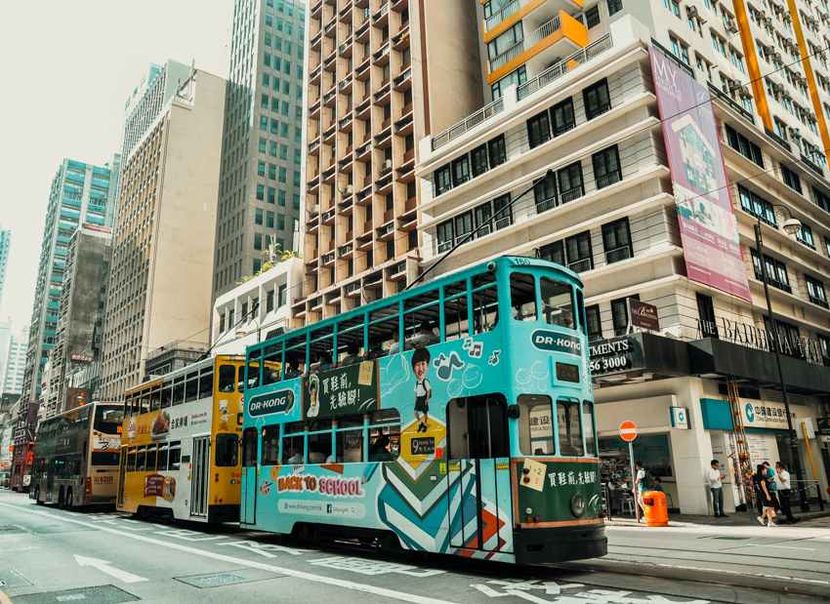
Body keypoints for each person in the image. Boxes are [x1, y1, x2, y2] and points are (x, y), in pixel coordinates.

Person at [412, 348, 432, 433]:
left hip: (423, 398)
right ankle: (421, 423)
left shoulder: (425, 381)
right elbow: (416, 392)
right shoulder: (417, 382)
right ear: (413, 368)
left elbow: (429, 390)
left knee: (425, 413)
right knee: (416, 412)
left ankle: (425, 424)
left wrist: (427, 399)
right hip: (419, 398)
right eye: (417, 365)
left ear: (427, 365)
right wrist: (416, 399)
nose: (420, 369)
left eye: (423, 364)